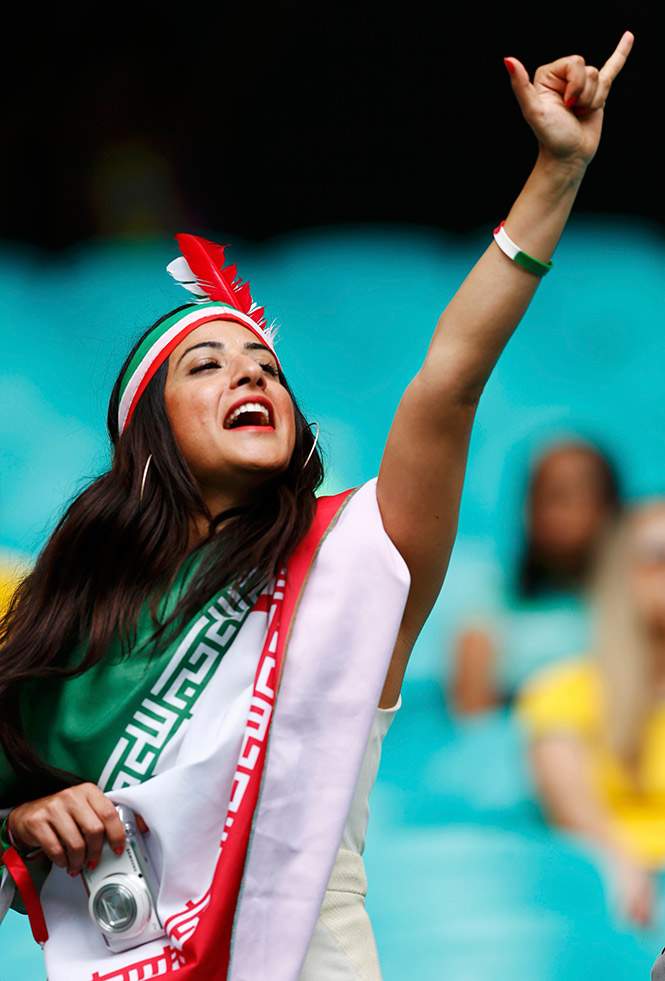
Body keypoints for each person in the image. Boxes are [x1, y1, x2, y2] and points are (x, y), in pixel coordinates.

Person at [0, 34, 633, 981]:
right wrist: (16, 819)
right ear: (148, 436)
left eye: (265, 366)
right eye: (205, 366)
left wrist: (556, 171)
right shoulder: (58, 626)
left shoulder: (355, 561)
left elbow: (449, 382)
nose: (249, 373)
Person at [518, 500, 665, 931]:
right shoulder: (558, 693)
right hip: (615, 895)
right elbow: (572, 809)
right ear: (620, 573)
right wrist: (617, 860)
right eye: (657, 554)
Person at [451, 439, 622, 713]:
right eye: (542, 497)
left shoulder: (635, 600)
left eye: (570, 496)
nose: (552, 514)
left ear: (609, 508)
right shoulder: (492, 600)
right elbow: (473, 718)